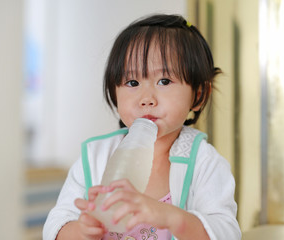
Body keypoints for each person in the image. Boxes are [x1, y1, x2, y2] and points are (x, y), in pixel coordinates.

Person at [43, 14, 241, 240]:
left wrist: (171, 217)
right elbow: (55, 226)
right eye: (132, 83)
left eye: (164, 81)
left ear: (198, 94)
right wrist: (81, 230)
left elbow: (226, 233)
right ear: (114, 92)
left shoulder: (204, 163)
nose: (146, 98)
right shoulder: (96, 157)